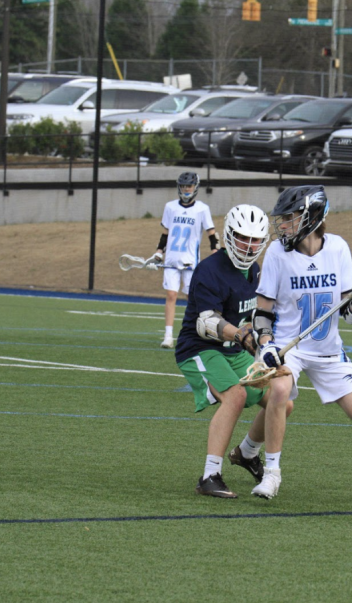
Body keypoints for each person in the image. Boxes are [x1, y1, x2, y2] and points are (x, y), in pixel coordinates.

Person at [249, 184, 352, 508]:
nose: (282, 225)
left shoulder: (337, 249)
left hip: (328, 350)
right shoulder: (278, 255)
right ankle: (272, 472)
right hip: (288, 346)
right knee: (279, 392)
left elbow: (350, 317)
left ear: (310, 218)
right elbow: (263, 312)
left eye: (290, 218)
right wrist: (265, 345)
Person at [175, 204, 293, 498]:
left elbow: (253, 318)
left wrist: (261, 345)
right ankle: (210, 475)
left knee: (283, 401)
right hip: (200, 348)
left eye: (255, 240)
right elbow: (206, 322)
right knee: (236, 396)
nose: (249, 245)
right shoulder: (209, 270)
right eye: (243, 237)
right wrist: (242, 336)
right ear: (228, 235)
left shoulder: (253, 270)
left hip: (233, 349)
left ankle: (247, 452)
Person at [148, 172, 219, 349]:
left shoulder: (202, 209)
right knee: (171, 295)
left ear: (195, 187)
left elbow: (211, 234)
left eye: (190, 186)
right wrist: (158, 253)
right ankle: (168, 335)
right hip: (171, 260)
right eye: (184, 186)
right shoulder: (170, 207)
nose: (187, 189)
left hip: (190, 262)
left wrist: (216, 252)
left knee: (191, 298)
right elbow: (165, 234)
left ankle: (193, 333)